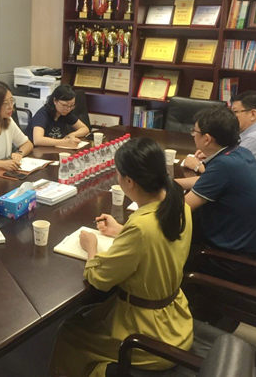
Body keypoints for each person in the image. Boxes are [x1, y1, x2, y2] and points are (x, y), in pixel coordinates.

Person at [50, 138, 193, 376]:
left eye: (118, 174)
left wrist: (91, 247)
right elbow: (157, 243)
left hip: (147, 335)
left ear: (129, 181)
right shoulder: (180, 205)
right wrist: (122, 231)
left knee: (70, 331)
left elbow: (98, 278)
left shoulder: (141, 228)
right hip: (176, 320)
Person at [176, 107, 256, 284]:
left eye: (194, 131)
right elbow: (207, 181)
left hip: (235, 262)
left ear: (207, 139)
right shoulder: (239, 152)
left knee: (169, 243)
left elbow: (180, 208)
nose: (192, 135)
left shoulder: (224, 166)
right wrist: (174, 183)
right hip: (252, 247)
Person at [183, 91, 256, 211]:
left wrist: (197, 166)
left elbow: (223, 173)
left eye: (235, 112)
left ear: (253, 114)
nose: (231, 117)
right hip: (255, 202)